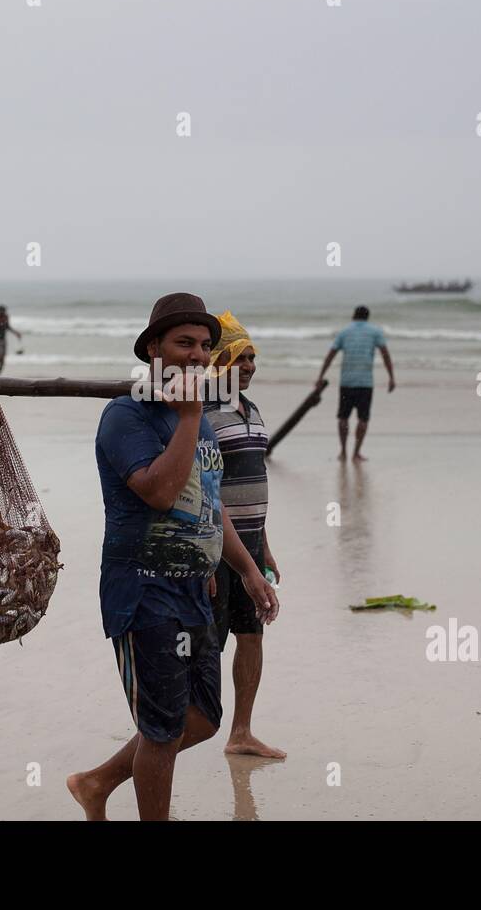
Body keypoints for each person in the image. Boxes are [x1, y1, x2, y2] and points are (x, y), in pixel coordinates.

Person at [67, 293, 280, 820]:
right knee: (161, 729)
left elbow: (209, 503)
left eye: (205, 345)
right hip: (144, 594)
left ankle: (96, 782)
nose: (197, 355)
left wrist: (248, 570)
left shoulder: (198, 419)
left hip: (194, 591)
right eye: (184, 343)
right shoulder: (126, 416)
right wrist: (187, 417)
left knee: (202, 717)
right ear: (153, 349)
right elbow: (159, 492)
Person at [202, 312, 284, 759]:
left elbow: (254, 482)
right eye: (240, 357)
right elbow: (206, 493)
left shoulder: (251, 410)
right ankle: (171, 734)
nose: (250, 366)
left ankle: (241, 732)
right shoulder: (205, 415)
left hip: (251, 544)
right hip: (217, 547)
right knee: (208, 643)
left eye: (253, 358)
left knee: (251, 634)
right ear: (219, 362)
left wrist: (265, 548)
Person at [315, 305, 396, 461]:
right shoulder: (375, 332)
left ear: (354, 316)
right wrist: (391, 377)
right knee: (363, 419)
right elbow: (386, 355)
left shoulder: (345, 332)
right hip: (365, 383)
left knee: (343, 417)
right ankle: (356, 453)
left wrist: (321, 376)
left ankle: (343, 451)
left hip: (347, 382)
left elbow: (330, 356)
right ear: (368, 317)